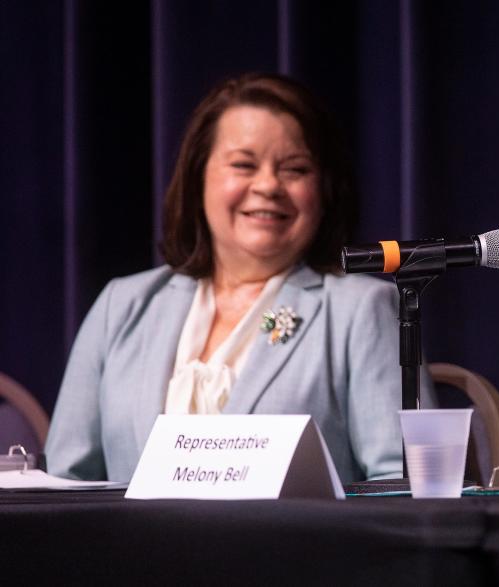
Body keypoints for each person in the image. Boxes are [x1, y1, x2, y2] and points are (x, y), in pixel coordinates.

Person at [46, 73, 429, 483]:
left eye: (295, 169)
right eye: (244, 165)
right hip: (131, 549)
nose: (268, 186)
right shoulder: (121, 305)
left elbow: (404, 485)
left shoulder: (360, 309)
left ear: (325, 191)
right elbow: (64, 481)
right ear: (198, 180)